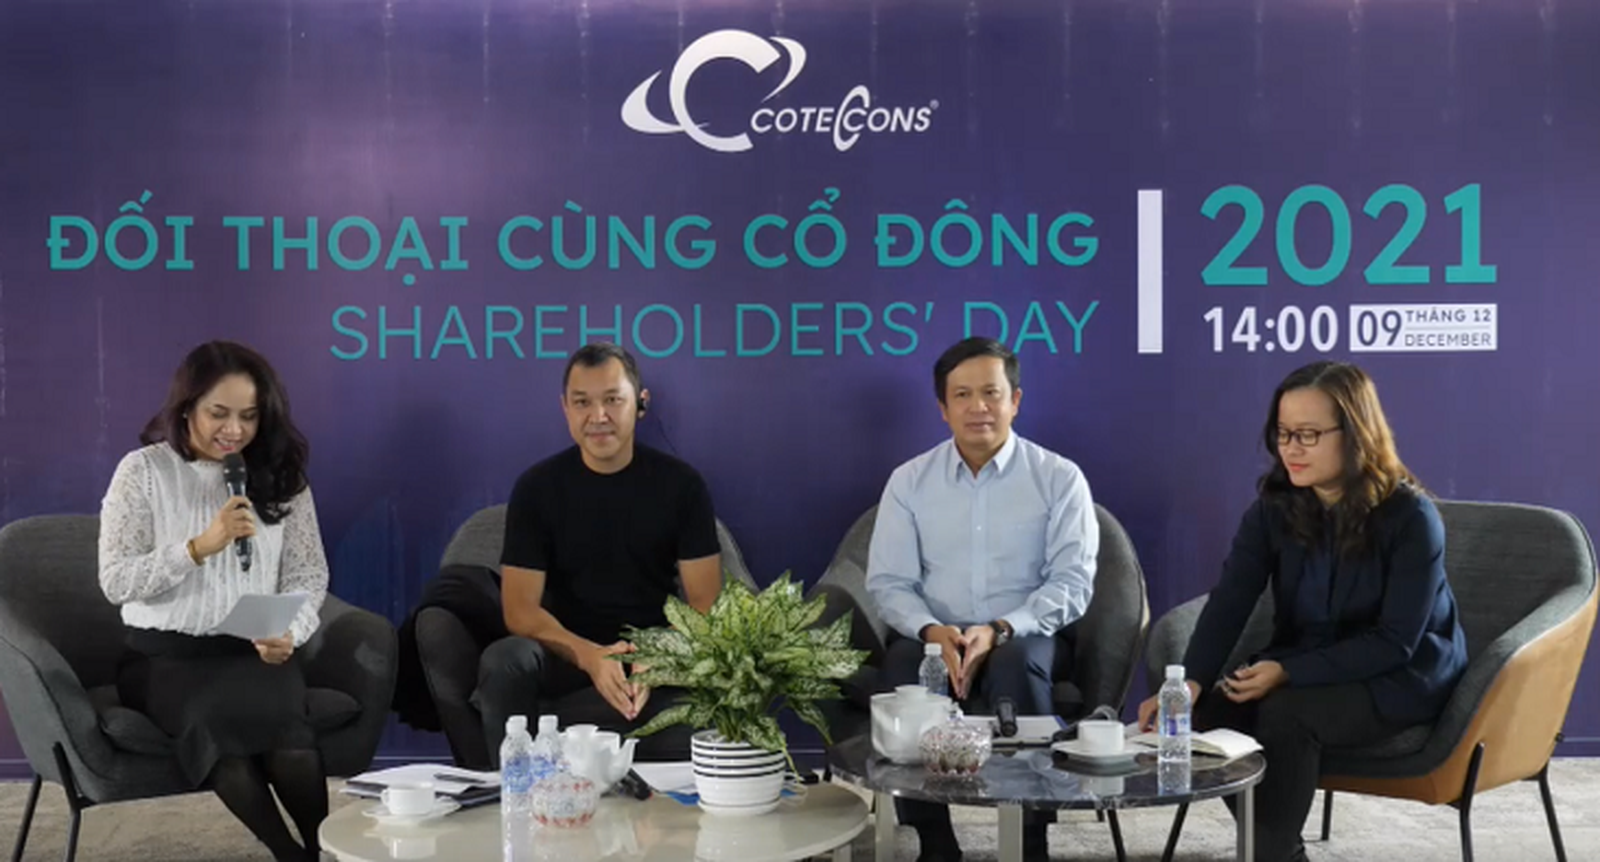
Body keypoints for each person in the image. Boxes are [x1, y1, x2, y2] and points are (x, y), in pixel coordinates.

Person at [1137, 360, 1469, 862]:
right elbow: (1231, 599)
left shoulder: (1412, 517)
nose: (1290, 449)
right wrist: (1191, 683)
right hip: (1309, 657)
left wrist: (1287, 672)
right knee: (1210, 711)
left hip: (1399, 675)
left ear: (1355, 435)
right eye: (1283, 433)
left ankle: (1269, 852)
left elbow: (1396, 641)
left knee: (1286, 713)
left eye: (1308, 435)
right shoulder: (1275, 506)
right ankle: (1280, 850)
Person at [867, 337, 1099, 862]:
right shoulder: (909, 481)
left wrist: (999, 629)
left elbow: (1071, 583)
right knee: (905, 669)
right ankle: (934, 842)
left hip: (1026, 633)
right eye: (963, 395)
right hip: (935, 633)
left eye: (991, 393)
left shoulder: (1059, 478)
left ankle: (1030, 839)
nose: (978, 407)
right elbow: (889, 582)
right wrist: (932, 631)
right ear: (942, 408)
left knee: (1016, 664)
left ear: (1015, 400)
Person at [98, 341, 330, 862]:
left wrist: (290, 631)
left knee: (291, 740)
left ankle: (321, 850)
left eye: (249, 416)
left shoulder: (282, 476)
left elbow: (308, 573)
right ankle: (288, 855)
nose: (235, 430)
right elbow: (115, 580)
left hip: (251, 652)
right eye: (218, 413)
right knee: (219, 738)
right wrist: (199, 547)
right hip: (165, 658)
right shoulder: (144, 472)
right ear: (187, 409)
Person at [473, 342, 723, 762]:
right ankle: (512, 787)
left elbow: (706, 603)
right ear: (565, 408)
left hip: (652, 653)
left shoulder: (682, 486)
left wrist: (660, 653)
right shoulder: (537, 489)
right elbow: (520, 610)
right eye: (582, 402)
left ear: (640, 403)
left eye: (613, 400)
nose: (598, 416)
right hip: (568, 651)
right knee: (505, 660)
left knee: (719, 681)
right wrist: (589, 655)